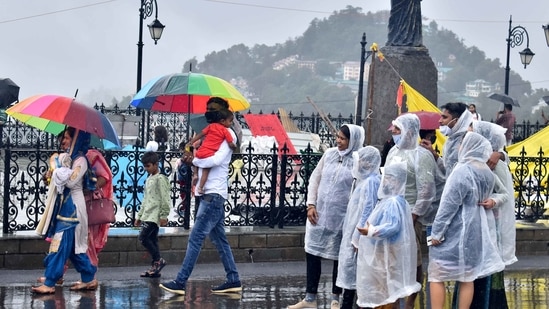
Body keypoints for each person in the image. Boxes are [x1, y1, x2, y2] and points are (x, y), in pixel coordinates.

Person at [159, 111, 242, 295]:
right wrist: (191, 159)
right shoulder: (212, 135)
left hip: (213, 195)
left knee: (195, 238)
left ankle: (180, 282)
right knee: (220, 240)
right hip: (210, 195)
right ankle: (233, 279)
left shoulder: (228, 136)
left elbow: (215, 160)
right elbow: (203, 155)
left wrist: (195, 160)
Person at [288, 124, 365, 309]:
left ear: (353, 141)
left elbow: (360, 191)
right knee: (312, 253)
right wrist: (311, 204)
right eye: (337, 137)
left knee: (340, 257)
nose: (338, 141)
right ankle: (310, 298)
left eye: (343, 139)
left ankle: (335, 298)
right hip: (319, 215)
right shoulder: (329, 154)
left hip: (342, 218)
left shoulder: (358, 160)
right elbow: (315, 178)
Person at [428, 132, 505, 309]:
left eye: (462, 144)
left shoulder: (462, 170)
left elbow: (448, 205)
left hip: (455, 230)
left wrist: (437, 232)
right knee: (467, 276)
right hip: (475, 229)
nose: (459, 147)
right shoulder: (486, 172)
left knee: (437, 275)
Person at [32, 129, 98, 294]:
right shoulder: (68, 159)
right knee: (74, 248)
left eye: (68, 138)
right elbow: (58, 182)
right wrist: (50, 175)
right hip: (65, 208)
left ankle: (49, 281)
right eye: (62, 137)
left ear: (77, 139)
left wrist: (57, 168)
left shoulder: (80, 160)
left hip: (73, 209)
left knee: (59, 245)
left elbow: (70, 181)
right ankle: (89, 278)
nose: (63, 141)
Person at [385, 113, 436, 309]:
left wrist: (414, 215)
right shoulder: (393, 152)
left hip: (410, 213)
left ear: (408, 131)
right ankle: (393, 297)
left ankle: (411, 300)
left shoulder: (421, 156)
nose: (395, 134)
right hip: (391, 211)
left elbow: (426, 189)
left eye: (398, 130)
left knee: (412, 259)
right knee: (393, 259)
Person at [356, 161, 421, 308]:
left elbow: (393, 226)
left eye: (388, 178)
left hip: (387, 251)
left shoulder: (393, 202)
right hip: (389, 250)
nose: (384, 181)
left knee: (386, 288)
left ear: (397, 181)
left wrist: (372, 231)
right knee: (388, 287)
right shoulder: (395, 201)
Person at [469, 120, 517, 309]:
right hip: (483, 223)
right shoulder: (485, 159)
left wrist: (493, 201)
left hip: (491, 225)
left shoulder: (494, 163)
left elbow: (503, 193)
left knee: (488, 271)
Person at [336, 146, 382, 309]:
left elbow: (368, 211)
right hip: (353, 233)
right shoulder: (363, 181)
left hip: (359, 237)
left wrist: (357, 239)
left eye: (361, 160)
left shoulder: (371, 182)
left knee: (356, 276)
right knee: (351, 276)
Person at [135, 151, 170, 278]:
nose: (146, 169)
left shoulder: (161, 179)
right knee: (153, 240)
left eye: (148, 166)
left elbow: (165, 198)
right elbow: (145, 199)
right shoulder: (149, 178)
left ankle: (158, 260)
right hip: (148, 214)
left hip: (155, 215)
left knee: (143, 238)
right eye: (145, 166)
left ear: (156, 164)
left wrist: (164, 215)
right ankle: (155, 267)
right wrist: (139, 216)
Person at [186, 109, 237, 194]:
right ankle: (201, 187)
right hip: (209, 153)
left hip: (202, 150)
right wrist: (234, 147)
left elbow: (201, 134)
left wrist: (191, 141)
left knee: (196, 161)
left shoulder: (211, 126)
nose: (231, 123)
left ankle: (195, 174)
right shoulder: (225, 131)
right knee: (206, 170)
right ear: (222, 121)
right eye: (230, 121)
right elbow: (230, 143)